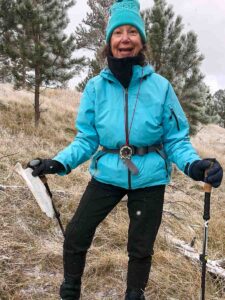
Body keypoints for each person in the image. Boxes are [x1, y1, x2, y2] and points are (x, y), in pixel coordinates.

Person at [28, 1, 223, 299]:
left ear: (141, 41)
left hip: (150, 178)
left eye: (133, 31)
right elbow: (86, 139)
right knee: (76, 235)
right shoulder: (95, 88)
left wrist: (194, 165)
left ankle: (134, 294)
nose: (125, 38)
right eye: (118, 32)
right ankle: (70, 291)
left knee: (141, 248)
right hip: (107, 173)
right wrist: (58, 162)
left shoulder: (161, 87)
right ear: (109, 42)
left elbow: (176, 139)